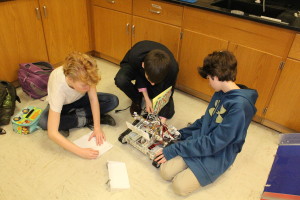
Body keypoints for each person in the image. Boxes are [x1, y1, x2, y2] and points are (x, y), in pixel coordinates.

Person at [154, 51, 258, 196]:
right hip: (204, 140)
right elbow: (206, 120)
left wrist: (175, 149)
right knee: (165, 172)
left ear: (216, 76)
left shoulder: (240, 107)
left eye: (209, 78)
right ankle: (190, 159)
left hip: (220, 151)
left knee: (179, 186)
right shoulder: (221, 91)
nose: (209, 82)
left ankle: (209, 167)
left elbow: (215, 143)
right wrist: (180, 134)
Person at [38, 52, 119, 159]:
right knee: (44, 122)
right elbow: (52, 133)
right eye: (84, 85)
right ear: (70, 79)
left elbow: (93, 99)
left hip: (80, 99)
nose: (89, 87)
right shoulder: (59, 88)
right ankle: (86, 120)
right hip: (63, 105)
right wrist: (80, 151)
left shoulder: (87, 75)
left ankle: (76, 119)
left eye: (90, 84)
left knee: (112, 101)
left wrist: (97, 127)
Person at [114, 40, 179, 123]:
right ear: (143, 65)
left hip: (155, 70)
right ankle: (137, 99)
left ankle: (150, 89)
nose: (152, 84)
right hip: (134, 63)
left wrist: (162, 120)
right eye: (149, 80)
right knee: (121, 79)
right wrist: (147, 99)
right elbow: (139, 76)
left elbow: (168, 93)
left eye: (154, 82)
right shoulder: (135, 56)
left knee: (165, 107)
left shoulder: (173, 69)